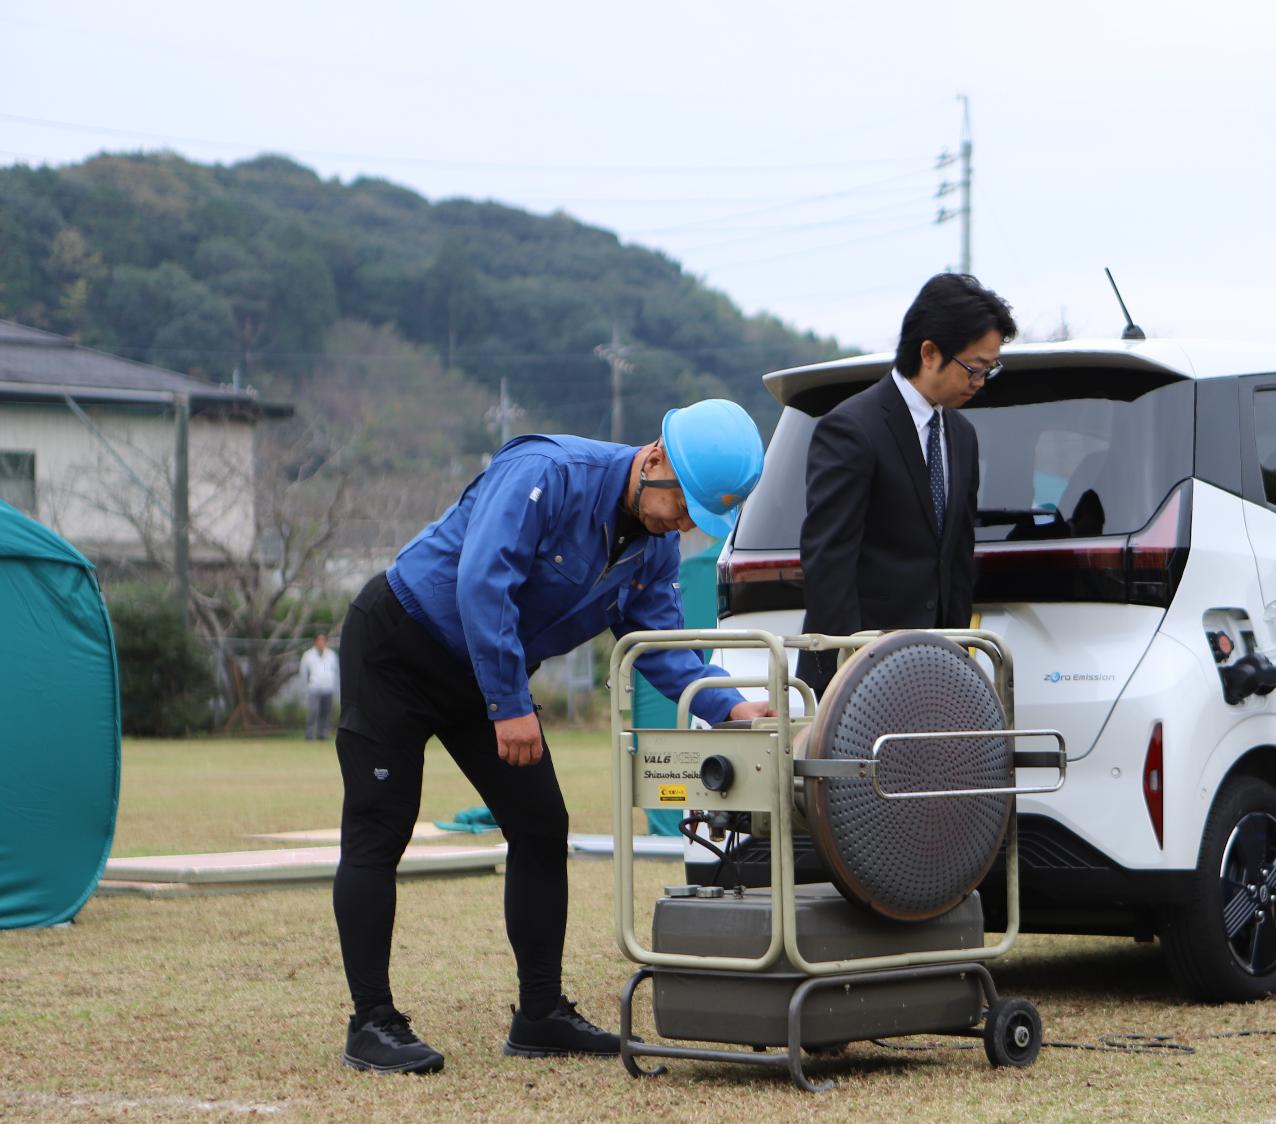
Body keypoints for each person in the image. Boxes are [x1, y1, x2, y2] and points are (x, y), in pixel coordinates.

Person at [333, 401, 775, 1074]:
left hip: (487, 671)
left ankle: (539, 1013)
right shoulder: (547, 473)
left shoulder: (654, 547)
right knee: (379, 827)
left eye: (698, 520)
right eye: (684, 506)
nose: (685, 525)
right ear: (655, 457)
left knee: (541, 824)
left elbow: (660, 647)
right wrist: (507, 703)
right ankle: (371, 1021)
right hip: (400, 644)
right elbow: (484, 581)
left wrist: (733, 708)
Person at [797, 273, 1016, 695]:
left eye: (990, 370)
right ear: (929, 352)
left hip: (934, 674)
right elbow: (828, 562)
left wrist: (955, 661)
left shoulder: (962, 435)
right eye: (974, 368)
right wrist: (853, 670)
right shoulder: (852, 428)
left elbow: (957, 559)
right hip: (858, 674)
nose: (979, 382)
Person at [300, 632, 338, 741]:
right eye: (319, 640)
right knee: (313, 711)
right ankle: (309, 735)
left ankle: (323, 735)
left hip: (328, 688)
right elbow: (304, 672)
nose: (321, 643)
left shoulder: (331, 655)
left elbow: (335, 671)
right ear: (315, 642)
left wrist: (334, 686)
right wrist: (306, 687)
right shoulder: (308, 655)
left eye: (323, 640)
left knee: (325, 713)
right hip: (314, 688)